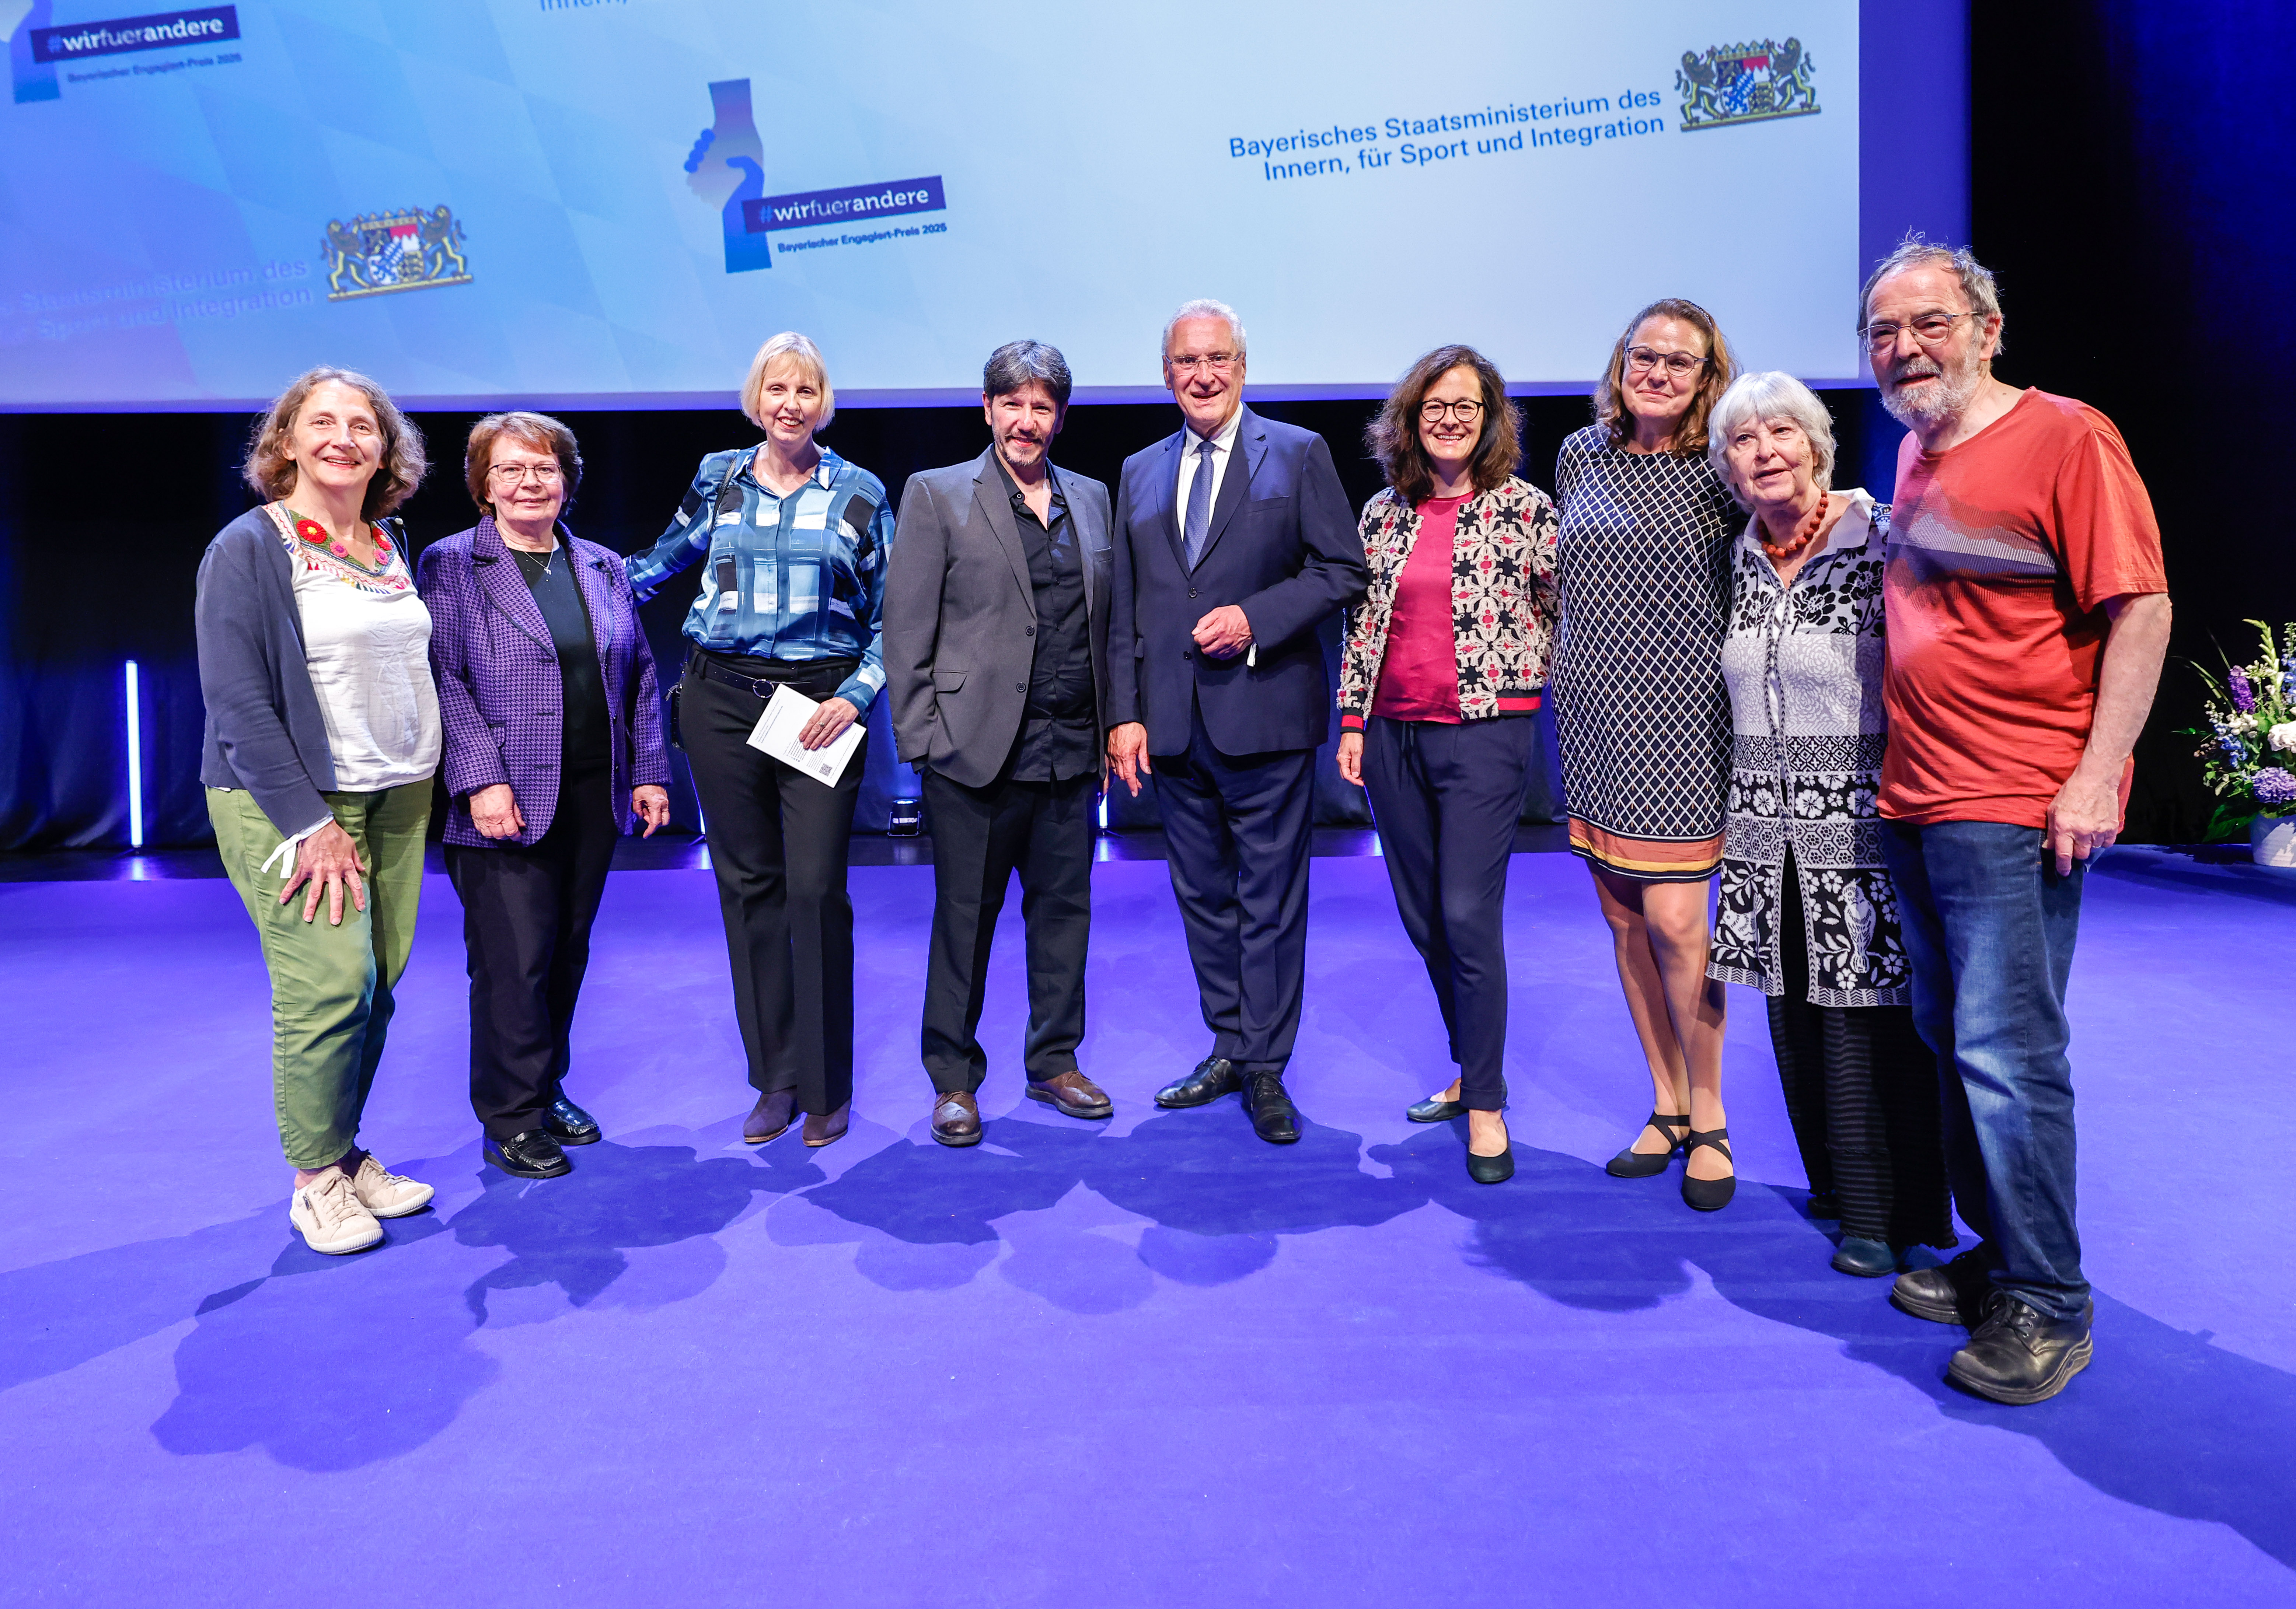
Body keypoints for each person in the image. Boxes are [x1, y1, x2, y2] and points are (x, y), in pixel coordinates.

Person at [1862, 240, 2170, 1403]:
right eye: (1884, 333)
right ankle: (1998, 1258)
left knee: (2008, 1054)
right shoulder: (1914, 451)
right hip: (1917, 795)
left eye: (1928, 324)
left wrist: (2097, 776)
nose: (1904, 349)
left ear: (1986, 328)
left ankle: (2048, 1302)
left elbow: (2137, 607)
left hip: (2013, 799)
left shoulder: (2066, 436)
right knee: (1956, 1043)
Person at [1703, 372, 1954, 1272]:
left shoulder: (1882, 534)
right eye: (1743, 440)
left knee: (1866, 1015)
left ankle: (1888, 1214)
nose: (1765, 452)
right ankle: (1839, 1188)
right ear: (1726, 467)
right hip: (1762, 825)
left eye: (1782, 433)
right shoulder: (1737, 551)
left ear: (1817, 445)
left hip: (1862, 823)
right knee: (1793, 1008)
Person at [1106, 299, 1367, 1145]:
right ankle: (1227, 1043)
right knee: (1203, 900)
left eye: (1217, 360)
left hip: (1266, 722)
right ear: (1167, 375)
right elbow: (1127, 613)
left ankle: (1265, 1068)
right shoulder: (1140, 469)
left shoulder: (1297, 453)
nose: (1203, 375)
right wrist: (1126, 717)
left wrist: (1255, 617)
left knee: (1271, 903)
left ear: (1243, 368)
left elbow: (1341, 570)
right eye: (1186, 363)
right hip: (1173, 731)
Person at [627, 333, 895, 1151]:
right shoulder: (719, 477)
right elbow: (661, 563)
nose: (790, 404)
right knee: (748, 892)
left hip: (817, 707)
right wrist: (555, 571)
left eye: (806, 392)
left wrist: (855, 698)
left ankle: (825, 1086)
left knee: (814, 891)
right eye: (777, 389)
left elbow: (895, 615)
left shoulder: (858, 491)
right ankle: (776, 1079)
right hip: (720, 702)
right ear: (756, 399)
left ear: (823, 404)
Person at [195, 367, 440, 1255]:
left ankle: (341, 1153)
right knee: (329, 987)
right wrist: (308, 821)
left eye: (364, 425)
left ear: (386, 449)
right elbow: (238, 700)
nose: (344, 438)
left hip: (398, 793)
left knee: (377, 985)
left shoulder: (387, 542)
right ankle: (313, 1185)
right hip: (293, 803)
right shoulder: (249, 548)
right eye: (322, 422)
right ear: (287, 442)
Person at [418, 413, 673, 1180]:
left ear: (566, 479)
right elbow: (443, 676)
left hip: (594, 793)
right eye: (511, 470)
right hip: (505, 796)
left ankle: (544, 1084)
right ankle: (511, 1116)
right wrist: (480, 780)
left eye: (544, 468)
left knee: (565, 953)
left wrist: (650, 771)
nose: (530, 483)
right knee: (512, 963)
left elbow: (640, 675)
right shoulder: (453, 564)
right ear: (483, 486)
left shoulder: (599, 565)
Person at [1334, 345, 1559, 1184]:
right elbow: (1362, 628)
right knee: (1424, 916)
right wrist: (1351, 722)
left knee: (1467, 914)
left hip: (1485, 735)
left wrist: (1526, 681)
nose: (1450, 419)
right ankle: (1470, 1069)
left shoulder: (1527, 510)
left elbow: (1558, 607)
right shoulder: (1383, 514)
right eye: (1435, 406)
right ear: (1410, 419)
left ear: (1491, 417)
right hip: (1392, 735)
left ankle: (1488, 1104)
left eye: (1467, 405)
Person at [883, 342, 1117, 1146]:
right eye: (1012, 404)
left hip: (1069, 752)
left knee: (1064, 918)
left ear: (1059, 416)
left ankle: (1055, 1061)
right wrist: (920, 743)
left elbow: (1106, 624)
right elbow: (906, 625)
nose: (1027, 421)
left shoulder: (1090, 498)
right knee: (963, 923)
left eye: (1042, 406)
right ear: (987, 410)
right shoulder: (937, 494)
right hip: (972, 755)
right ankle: (952, 1079)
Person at [1551, 299, 1744, 1210]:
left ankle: (1710, 1115)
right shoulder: (1579, 452)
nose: (1657, 371)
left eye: (1679, 361)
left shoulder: (1722, 467)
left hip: (1684, 724)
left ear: (1709, 378)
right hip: (1592, 717)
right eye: (1643, 354)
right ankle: (1664, 1103)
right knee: (1625, 923)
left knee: (1676, 927)